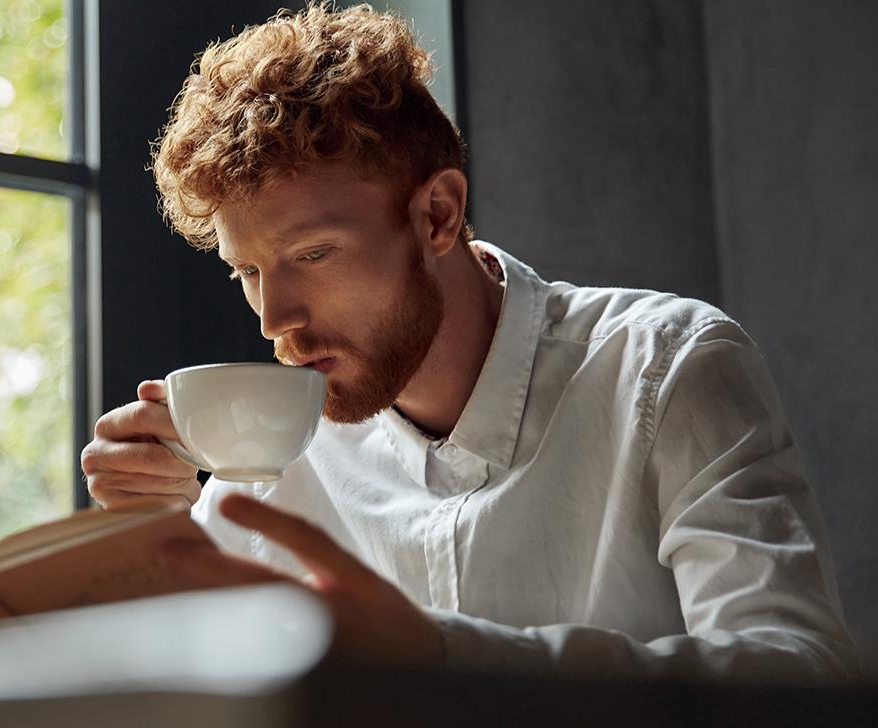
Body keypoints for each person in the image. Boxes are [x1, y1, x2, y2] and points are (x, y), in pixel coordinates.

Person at [79, 3, 859, 681]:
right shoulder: (270, 455)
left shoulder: (668, 366)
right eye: (246, 271)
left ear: (437, 216)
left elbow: (797, 674)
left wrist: (441, 659)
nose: (273, 318)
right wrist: (146, 541)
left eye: (313, 255)